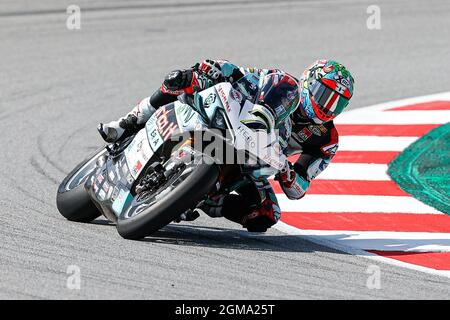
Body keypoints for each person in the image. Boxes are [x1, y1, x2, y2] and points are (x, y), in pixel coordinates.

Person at [98, 59, 354, 232]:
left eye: (336, 103)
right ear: (309, 81)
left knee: (267, 215)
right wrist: (203, 73)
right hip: (227, 120)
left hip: (254, 161)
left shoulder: (326, 140)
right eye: (325, 95)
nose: (327, 107)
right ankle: (128, 121)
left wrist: (287, 173)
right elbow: (236, 72)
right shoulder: (281, 83)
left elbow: (299, 189)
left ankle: (205, 199)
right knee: (181, 78)